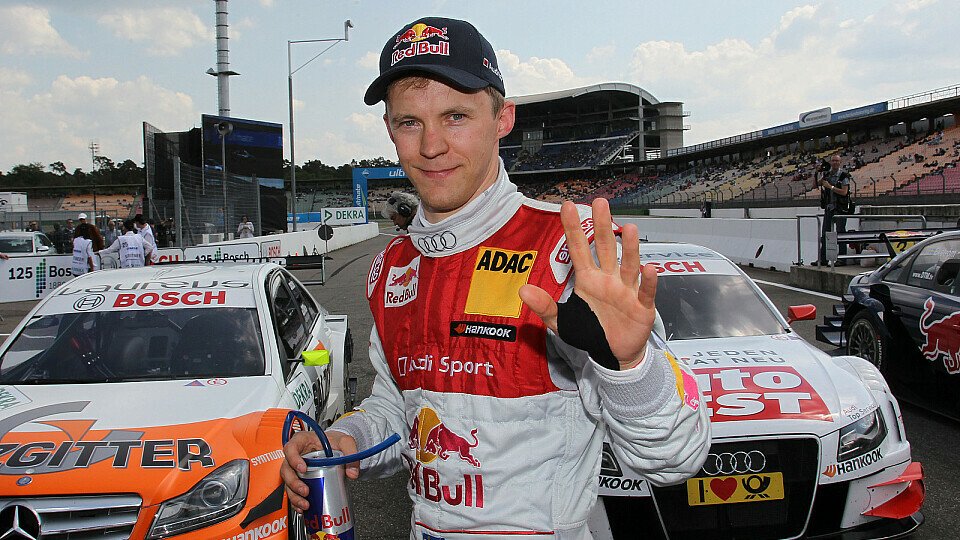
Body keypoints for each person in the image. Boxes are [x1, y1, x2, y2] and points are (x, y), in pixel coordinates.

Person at [280, 17, 709, 539]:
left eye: (455, 116)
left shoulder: (567, 250)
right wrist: (344, 440)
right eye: (409, 123)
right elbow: (398, 410)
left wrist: (631, 366)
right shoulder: (392, 266)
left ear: (503, 118)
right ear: (389, 129)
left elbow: (676, 457)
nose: (431, 145)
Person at [813, 154, 853, 266]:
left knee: (840, 233)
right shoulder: (827, 175)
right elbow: (815, 185)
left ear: (840, 162)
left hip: (841, 208)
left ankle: (842, 259)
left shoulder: (843, 176)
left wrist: (830, 187)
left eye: (837, 161)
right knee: (825, 234)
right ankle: (823, 259)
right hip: (829, 207)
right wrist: (816, 173)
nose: (834, 163)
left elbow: (844, 192)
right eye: (833, 161)